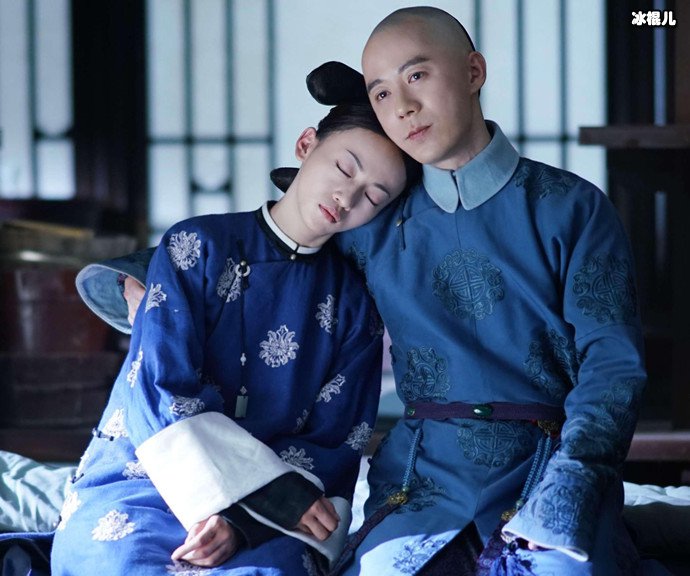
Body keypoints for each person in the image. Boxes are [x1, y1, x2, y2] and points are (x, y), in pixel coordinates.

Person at [99, 7, 660, 575]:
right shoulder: (374, 217)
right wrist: (145, 275)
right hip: (423, 475)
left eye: (417, 76)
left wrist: (575, 480)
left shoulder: (571, 206)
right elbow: (271, 244)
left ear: (473, 72)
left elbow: (612, 364)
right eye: (382, 93)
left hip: (546, 462)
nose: (404, 107)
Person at [47, 79, 420, 576]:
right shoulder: (194, 246)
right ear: (306, 144)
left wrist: (242, 520)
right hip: (145, 479)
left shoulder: (354, 308)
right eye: (344, 168)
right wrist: (238, 497)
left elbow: (336, 441)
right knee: (122, 561)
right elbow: (158, 389)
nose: (347, 197)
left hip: (276, 515)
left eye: (373, 195)